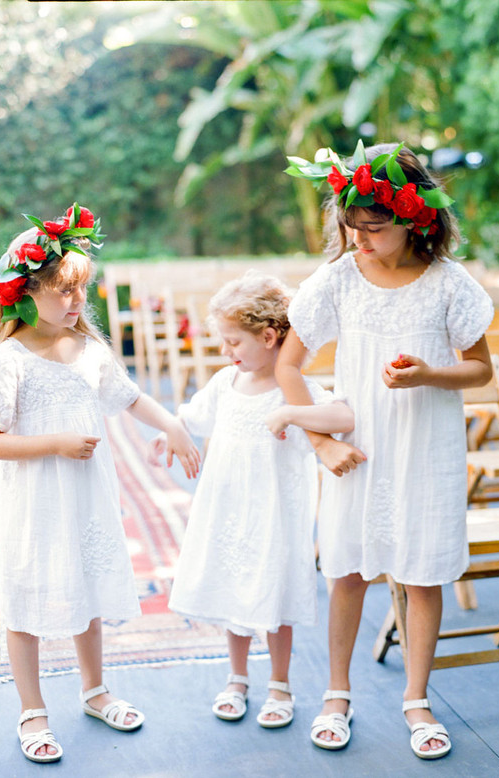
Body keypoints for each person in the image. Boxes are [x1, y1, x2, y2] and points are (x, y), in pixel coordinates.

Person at [278, 142, 493, 759]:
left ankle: (417, 697)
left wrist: (429, 374)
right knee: (347, 572)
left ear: (415, 220)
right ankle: (336, 692)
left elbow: (478, 370)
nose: (361, 239)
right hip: (358, 447)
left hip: (427, 447)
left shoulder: (449, 283)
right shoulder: (339, 280)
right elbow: (291, 365)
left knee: (422, 574)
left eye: (375, 228)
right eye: (352, 227)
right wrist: (320, 442)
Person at [0, 204, 200, 764]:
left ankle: (95, 689)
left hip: (86, 497)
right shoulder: (10, 360)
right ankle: (32, 709)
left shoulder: (91, 351)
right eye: (64, 292)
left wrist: (171, 423)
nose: (77, 303)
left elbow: (130, 398)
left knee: (88, 591)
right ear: (26, 292)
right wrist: (53, 443)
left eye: (82, 291)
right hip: (33, 500)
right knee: (25, 599)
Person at [149, 271, 354, 729]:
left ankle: (280, 683)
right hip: (228, 510)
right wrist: (170, 432)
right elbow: (189, 415)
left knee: (274, 598)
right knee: (233, 589)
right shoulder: (226, 384)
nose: (226, 352)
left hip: (275, 516)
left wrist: (292, 412)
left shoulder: (295, 390)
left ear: (269, 336)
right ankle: (237, 676)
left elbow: (342, 414)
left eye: (233, 342)